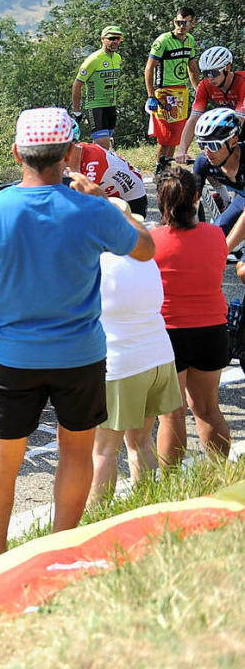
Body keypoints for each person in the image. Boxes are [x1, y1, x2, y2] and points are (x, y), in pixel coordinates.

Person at [0, 107, 153, 558]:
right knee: (76, 454)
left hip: (10, 356)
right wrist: (101, 198)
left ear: (18, 152)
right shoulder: (91, 210)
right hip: (79, 355)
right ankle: (61, 551)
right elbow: (145, 249)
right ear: (69, 154)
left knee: (3, 458)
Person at [90, 207, 182, 504]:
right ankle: (148, 509)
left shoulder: (98, 265)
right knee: (141, 441)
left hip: (121, 364)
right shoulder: (145, 258)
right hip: (157, 355)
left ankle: (96, 519)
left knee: (105, 449)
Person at [151, 167, 233, 465]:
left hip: (169, 333)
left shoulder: (153, 241)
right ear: (196, 199)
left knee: (172, 415)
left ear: (160, 202)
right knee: (208, 409)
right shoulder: (215, 236)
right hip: (212, 329)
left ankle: (171, 487)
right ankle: (221, 477)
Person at [145, 7, 199, 176]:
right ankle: (159, 168)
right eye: (178, 22)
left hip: (181, 92)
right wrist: (151, 95)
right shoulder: (163, 41)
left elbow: (192, 68)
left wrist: (199, 91)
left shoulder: (190, 40)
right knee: (165, 135)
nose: (181, 26)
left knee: (176, 135)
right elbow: (149, 69)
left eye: (185, 23)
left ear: (192, 23)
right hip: (164, 92)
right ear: (174, 21)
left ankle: (167, 169)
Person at [175, 46, 245, 165]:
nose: (210, 77)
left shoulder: (242, 81)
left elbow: (240, 119)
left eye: (214, 72)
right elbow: (193, 119)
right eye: (206, 73)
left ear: (227, 68)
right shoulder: (205, 85)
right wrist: (182, 151)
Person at [189, 109, 245, 238]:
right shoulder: (203, 162)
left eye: (214, 145)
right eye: (202, 145)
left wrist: (223, 251)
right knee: (215, 235)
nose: (207, 152)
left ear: (234, 141)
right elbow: (191, 202)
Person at [65, 137, 148, 217]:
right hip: (112, 194)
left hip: (133, 198)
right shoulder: (78, 149)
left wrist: (74, 171)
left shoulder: (93, 161)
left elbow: (83, 200)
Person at [71, 25, 124, 149]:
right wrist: (77, 111)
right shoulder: (93, 59)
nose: (115, 41)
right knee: (103, 145)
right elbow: (77, 85)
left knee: (104, 147)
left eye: (118, 39)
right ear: (102, 39)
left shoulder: (117, 58)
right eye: (111, 38)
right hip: (95, 106)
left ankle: (92, 166)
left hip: (111, 105)